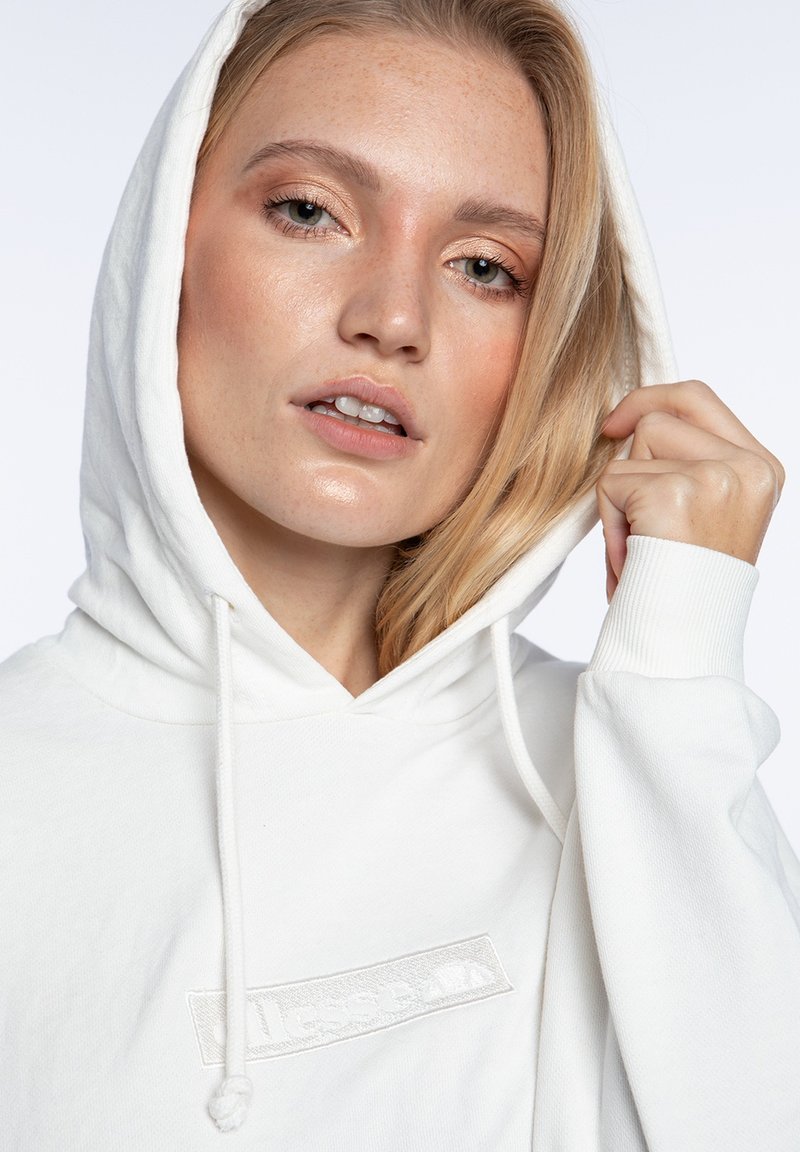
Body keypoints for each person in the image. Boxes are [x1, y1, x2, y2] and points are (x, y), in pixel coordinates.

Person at [1, 0, 798, 1147]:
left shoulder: (623, 762)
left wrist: (678, 670)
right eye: (308, 211)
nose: (392, 318)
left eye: (483, 267)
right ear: (162, 244)